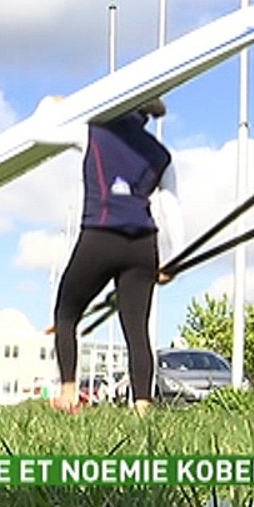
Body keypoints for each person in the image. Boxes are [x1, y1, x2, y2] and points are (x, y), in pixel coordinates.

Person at [51, 97, 184, 416]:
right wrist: (174, 258)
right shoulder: (160, 154)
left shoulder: (93, 131)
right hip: (142, 244)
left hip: (100, 235)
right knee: (137, 330)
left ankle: (69, 395)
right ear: (146, 118)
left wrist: (61, 104)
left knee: (67, 314)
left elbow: (44, 129)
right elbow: (172, 208)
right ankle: (142, 410)